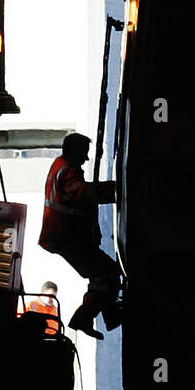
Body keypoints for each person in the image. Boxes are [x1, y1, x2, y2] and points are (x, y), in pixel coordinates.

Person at [39, 133, 120, 340]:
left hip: (65, 236)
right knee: (107, 274)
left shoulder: (60, 166)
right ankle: (85, 318)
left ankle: (110, 315)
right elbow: (84, 194)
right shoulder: (68, 172)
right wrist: (118, 189)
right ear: (74, 152)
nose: (85, 159)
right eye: (84, 154)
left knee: (101, 273)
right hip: (68, 236)